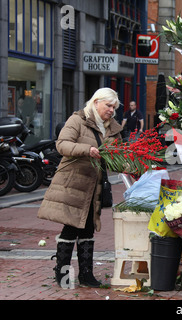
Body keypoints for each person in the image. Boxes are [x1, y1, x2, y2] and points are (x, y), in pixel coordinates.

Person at [37, 87, 122, 288]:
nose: (111, 110)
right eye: (108, 105)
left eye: (114, 107)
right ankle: (63, 273)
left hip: (95, 187)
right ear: (96, 102)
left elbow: (117, 156)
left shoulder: (112, 128)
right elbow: (62, 145)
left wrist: (129, 165)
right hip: (73, 184)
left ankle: (86, 275)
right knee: (71, 227)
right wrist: (87, 150)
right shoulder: (77, 120)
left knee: (88, 229)